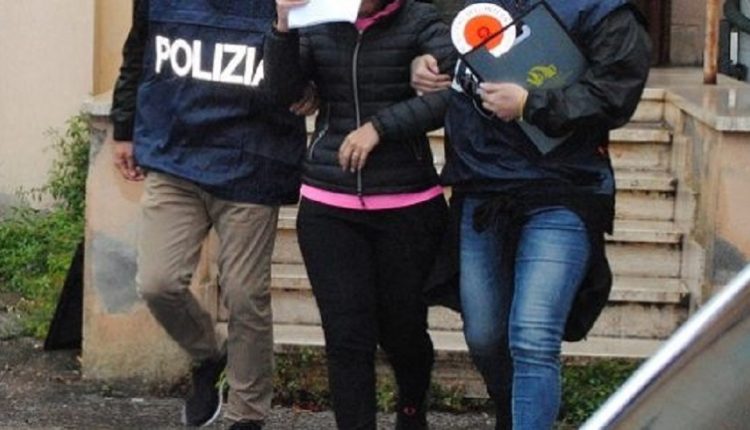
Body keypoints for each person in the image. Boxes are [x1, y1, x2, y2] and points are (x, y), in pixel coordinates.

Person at [412, 0, 651, 428]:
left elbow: (616, 92)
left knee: (533, 337)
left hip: (563, 190)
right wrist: (427, 66)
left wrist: (531, 104)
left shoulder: (604, 11)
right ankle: (513, 413)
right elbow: (458, 60)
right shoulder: (480, 6)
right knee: (484, 337)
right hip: (481, 190)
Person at [109, 1, 312, 428]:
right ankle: (209, 356)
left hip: (252, 162)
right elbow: (138, 52)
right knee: (158, 283)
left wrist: (311, 86)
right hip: (175, 157)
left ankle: (247, 414)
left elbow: (313, 63)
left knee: (244, 295)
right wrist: (124, 128)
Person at [263, 0, 456, 428]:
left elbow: (452, 93)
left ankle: (411, 408)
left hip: (407, 205)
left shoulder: (420, 20)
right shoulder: (318, 20)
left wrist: (380, 127)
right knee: (347, 338)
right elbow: (281, 93)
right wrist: (282, 26)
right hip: (329, 206)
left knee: (403, 332)